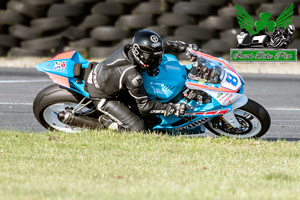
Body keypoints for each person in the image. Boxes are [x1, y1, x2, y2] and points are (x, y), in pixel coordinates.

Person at [87, 29, 199, 132]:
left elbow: (162, 46)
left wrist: (185, 47)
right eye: (151, 57)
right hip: (103, 95)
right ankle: (107, 122)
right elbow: (145, 107)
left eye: (158, 56)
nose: (156, 61)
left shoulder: (136, 48)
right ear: (137, 52)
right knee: (139, 129)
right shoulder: (133, 76)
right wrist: (173, 108)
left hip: (111, 79)